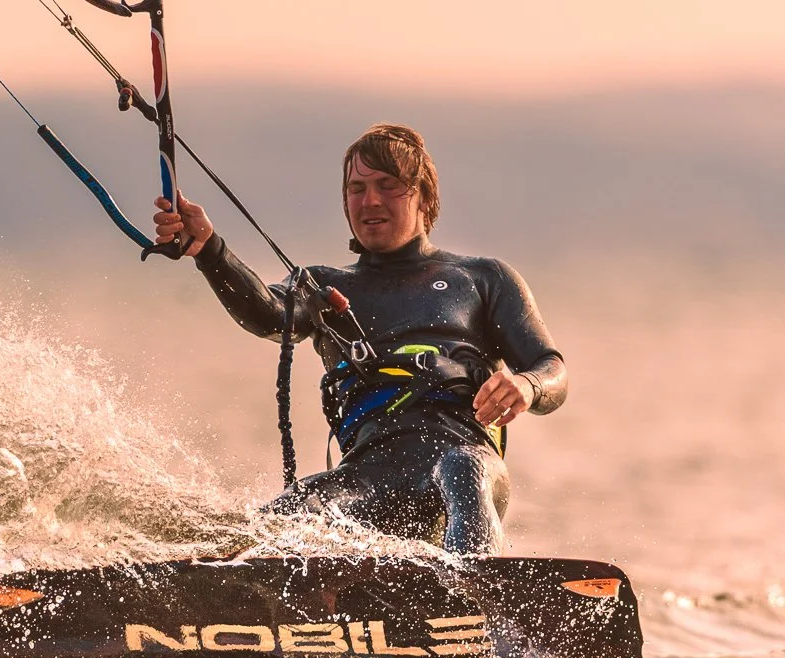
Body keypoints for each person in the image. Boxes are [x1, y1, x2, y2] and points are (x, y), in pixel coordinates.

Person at [151, 123, 566, 556]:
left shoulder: (482, 278)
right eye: (357, 188)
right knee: (291, 511)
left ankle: (478, 597)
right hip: (366, 477)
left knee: (462, 469)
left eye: (388, 186)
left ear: (423, 196)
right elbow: (269, 315)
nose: (370, 200)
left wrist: (526, 385)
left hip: (462, 461)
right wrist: (210, 250)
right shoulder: (323, 286)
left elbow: (551, 369)